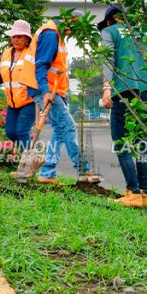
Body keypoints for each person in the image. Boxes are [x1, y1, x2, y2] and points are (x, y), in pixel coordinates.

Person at [99, 5, 147, 207]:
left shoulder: (108, 31)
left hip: (123, 89)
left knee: (121, 141)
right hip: (146, 90)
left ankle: (132, 192)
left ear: (108, 21)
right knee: (141, 142)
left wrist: (107, 87)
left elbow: (108, 59)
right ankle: (144, 194)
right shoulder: (140, 34)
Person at [31, 13, 92, 184]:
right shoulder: (51, 34)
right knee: (68, 126)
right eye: (77, 30)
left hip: (55, 89)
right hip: (46, 89)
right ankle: (83, 170)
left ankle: (47, 173)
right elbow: (41, 65)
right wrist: (45, 92)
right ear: (71, 22)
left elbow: (55, 67)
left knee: (59, 130)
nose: (76, 35)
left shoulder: (57, 35)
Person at [0, 19, 37, 150]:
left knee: (22, 132)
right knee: (10, 132)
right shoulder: (6, 53)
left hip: (28, 100)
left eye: (20, 37)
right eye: (14, 37)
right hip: (12, 102)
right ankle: (30, 154)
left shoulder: (32, 53)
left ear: (27, 39)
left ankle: (29, 161)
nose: (16, 39)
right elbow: (0, 73)